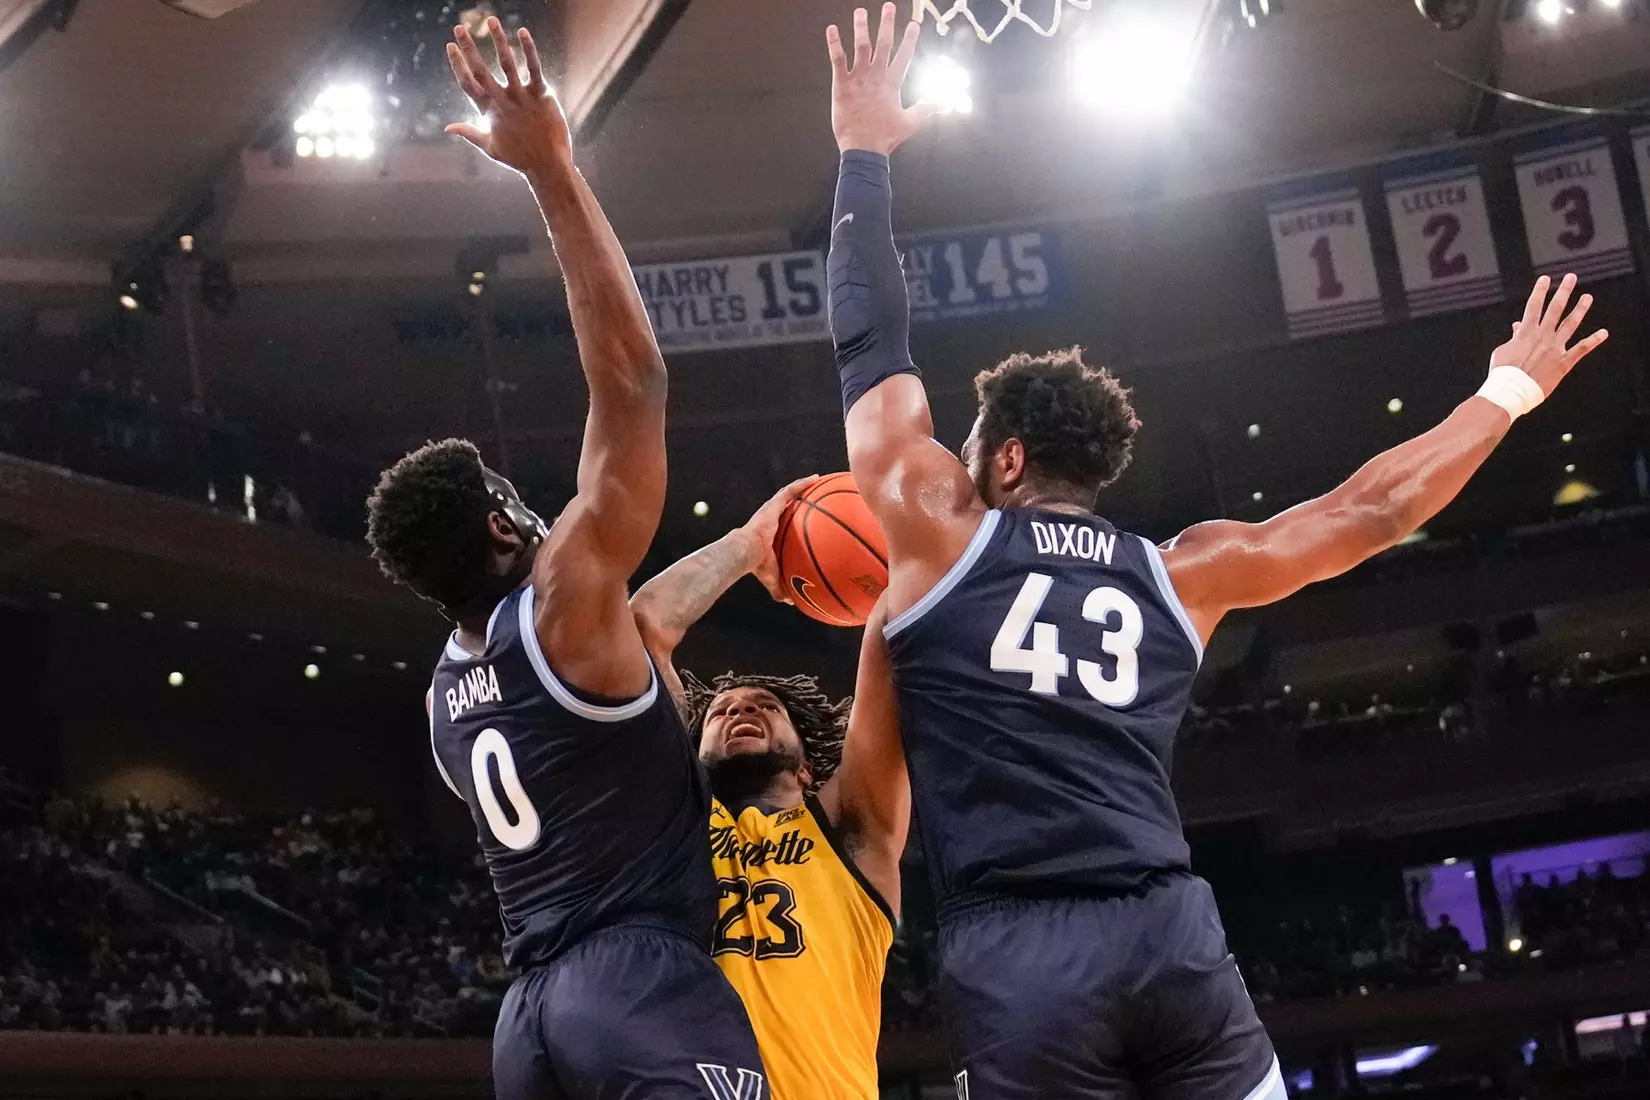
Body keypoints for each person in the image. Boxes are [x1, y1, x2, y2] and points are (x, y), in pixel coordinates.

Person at [820, 5, 1611, 1097]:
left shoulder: (933, 525)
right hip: (1170, 932)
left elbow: (869, 343)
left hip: (1022, 950)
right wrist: (1505, 391)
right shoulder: (1181, 572)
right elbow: (1372, 510)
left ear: (1002, 460)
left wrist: (862, 155)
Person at [366, 19, 764, 1100]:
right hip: (640, 983)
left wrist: (741, 544)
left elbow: (635, 645)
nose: (541, 508)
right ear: (500, 529)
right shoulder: (562, 597)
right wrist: (551, 171)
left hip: (531, 1021)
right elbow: (632, 385)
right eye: (516, 497)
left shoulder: (451, 697)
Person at [628, 479, 907, 1100]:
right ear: (692, 755)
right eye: (721, 710)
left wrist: (897, 550)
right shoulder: (673, 828)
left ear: (810, 766)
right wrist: (750, 544)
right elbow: (645, 628)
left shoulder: (852, 828)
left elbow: (895, 636)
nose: (739, 711)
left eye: (764, 707)